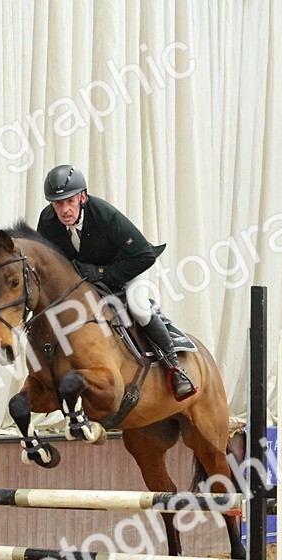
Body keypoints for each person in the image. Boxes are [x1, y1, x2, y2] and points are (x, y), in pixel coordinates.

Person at [35, 164, 196, 400]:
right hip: (85, 280)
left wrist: (101, 273)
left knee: (139, 308)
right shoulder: (48, 221)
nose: (64, 210)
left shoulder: (103, 214)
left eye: (69, 201)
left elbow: (144, 256)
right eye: (58, 204)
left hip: (126, 270)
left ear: (82, 196)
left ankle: (175, 367)